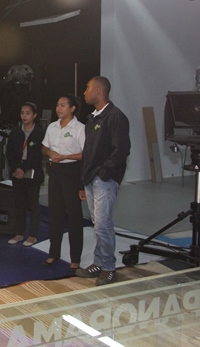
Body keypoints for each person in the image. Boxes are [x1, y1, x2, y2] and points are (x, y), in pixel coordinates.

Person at [76, 76, 130, 286]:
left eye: (88, 88)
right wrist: (84, 181)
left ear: (98, 90)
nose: (84, 92)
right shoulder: (93, 119)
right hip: (91, 178)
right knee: (97, 223)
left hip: (103, 180)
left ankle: (108, 268)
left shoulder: (115, 117)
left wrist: (104, 173)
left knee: (103, 224)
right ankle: (98, 263)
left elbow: (121, 150)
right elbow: (88, 152)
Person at [41, 93, 86, 271]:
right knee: (55, 213)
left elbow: (86, 154)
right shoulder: (52, 126)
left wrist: (66, 156)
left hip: (72, 172)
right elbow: (44, 147)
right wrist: (50, 153)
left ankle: (75, 257)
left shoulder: (80, 128)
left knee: (74, 215)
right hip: (55, 172)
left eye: (63, 105)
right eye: (57, 105)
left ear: (72, 108)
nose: (58, 108)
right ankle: (53, 252)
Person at [6, 102, 45, 248]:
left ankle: (32, 235)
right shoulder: (15, 132)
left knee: (33, 205)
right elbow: (9, 152)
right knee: (19, 205)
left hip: (33, 173)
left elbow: (37, 156)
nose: (24, 116)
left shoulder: (39, 133)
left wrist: (22, 168)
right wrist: (16, 168)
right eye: (22, 113)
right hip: (17, 174)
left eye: (28, 113)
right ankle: (18, 233)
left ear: (34, 115)